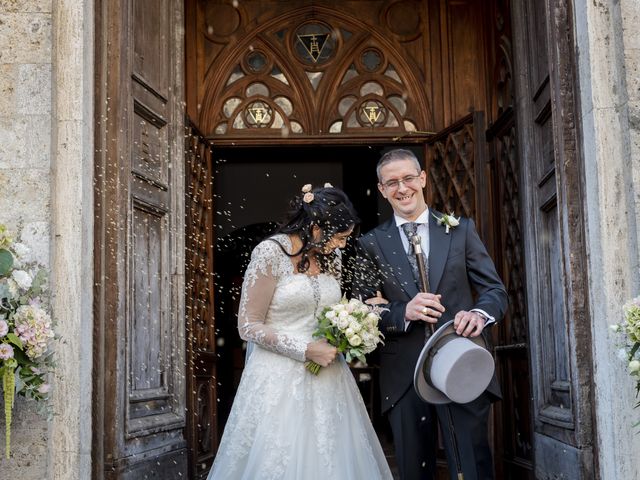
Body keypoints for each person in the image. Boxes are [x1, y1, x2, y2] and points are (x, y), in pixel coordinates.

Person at [208, 185, 393, 480]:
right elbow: (248, 324)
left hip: (330, 376)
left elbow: (327, 311)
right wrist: (306, 350)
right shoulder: (270, 252)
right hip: (278, 378)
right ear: (316, 226)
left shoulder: (330, 258)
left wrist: (359, 318)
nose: (342, 246)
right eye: (340, 237)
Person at [352, 149, 508, 480]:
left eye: (408, 178)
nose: (402, 188)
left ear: (422, 178)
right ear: (381, 189)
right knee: (414, 471)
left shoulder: (461, 230)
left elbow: (495, 291)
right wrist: (402, 312)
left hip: (462, 362)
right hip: (404, 375)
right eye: (391, 182)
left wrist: (479, 314)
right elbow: (361, 311)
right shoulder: (369, 244)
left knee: (472, 468)